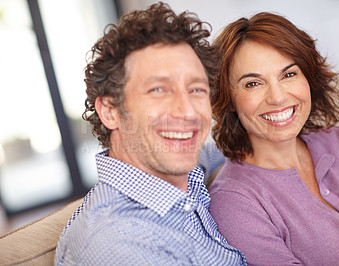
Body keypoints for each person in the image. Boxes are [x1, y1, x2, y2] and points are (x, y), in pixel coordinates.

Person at [54, 3, 246, 265]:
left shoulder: (181, 170)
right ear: (110, 111)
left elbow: (221, 150)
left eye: (196, 89)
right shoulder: (118, 244)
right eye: (158, 90)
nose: (187, 111)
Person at [208, 11, 339, 265]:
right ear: (228, 99)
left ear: (308, 78)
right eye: (253, 83)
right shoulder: (235, 202)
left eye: (289, 74)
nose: (277, 97)